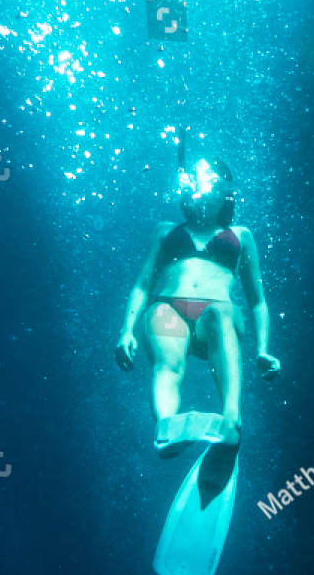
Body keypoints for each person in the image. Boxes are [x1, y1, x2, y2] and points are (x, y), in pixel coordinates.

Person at [115, 157, 280, 456]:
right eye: (203, 182)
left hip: (216, 317)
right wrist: (126, 330)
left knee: (220, 313)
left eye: (215, 183)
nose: (207, 188)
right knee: (168, 362)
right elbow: (142, 285)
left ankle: (232, 420)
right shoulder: (165, 230)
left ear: (225, 194)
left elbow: (257, 300)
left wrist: (263, 349)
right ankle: (167, 428)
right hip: (168, 308)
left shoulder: (241, 235)